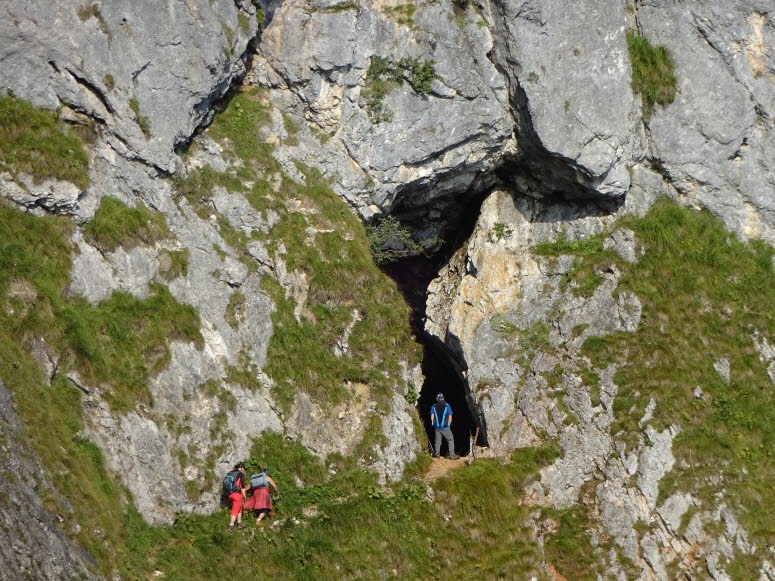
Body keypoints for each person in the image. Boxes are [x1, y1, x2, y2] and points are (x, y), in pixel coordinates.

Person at [430, 393, 459, 459]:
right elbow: (450, 416)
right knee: (450, 439)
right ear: (443, 398)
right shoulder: (447, 405)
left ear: (437, 399)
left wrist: (434, 424)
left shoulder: (434, 406)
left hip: (437, 427)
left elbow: (432, 416)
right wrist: (449, 425)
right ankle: (452, 455)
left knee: (438, 442)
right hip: (445, 427)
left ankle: (437, 455)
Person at [224, 461, 247, 531]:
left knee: (239, 507)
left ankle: (239, 523)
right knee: (235, 509)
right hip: (237, 494)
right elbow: (242, 487)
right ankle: (231, 526)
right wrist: (245, 496)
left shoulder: (230, 473)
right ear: (241, 468)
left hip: (229, 493)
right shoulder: (240, 474)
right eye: (243, 468)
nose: (243, 469)